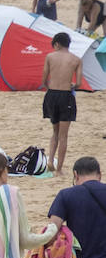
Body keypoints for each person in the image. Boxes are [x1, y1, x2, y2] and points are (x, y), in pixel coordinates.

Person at [42, 31, 81, 176]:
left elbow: (44, 79)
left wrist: (50, 87)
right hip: (66, 96)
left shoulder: (50, 57)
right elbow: (78, 83)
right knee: (64, 135)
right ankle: (59, 170)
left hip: (51, 95)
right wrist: (71, 86)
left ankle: (51, 160)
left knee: (55, 132)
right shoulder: (76, 60)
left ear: (57, 44)